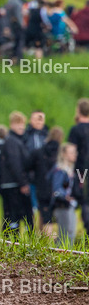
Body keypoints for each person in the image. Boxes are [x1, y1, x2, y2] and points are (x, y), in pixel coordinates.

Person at [0, 111, 33, 238]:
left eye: (23, 124)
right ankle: (12, 240)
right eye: (18, 124)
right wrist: (23, 182)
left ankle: (13, 239)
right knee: (13, 215)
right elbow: (15, 164)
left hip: (13, 183)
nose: (22, 127)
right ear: (12, 124)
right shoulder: (12, 142)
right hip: (12, 184)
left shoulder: (16, 141)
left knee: (13, 215)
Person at [31, 126, 64, 234]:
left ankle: (45, 242)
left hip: (42, 187)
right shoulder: (62, 153)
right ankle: (59, 241)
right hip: (58, 188)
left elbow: (28, 167)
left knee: (45, 216)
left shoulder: (39, 151)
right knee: (59, 217)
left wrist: (34, 179)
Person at [49, 143, 79, 246]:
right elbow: (56, 189)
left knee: (71, 232)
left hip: (69, 205)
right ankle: (60, 258)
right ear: (64, 154)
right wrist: (65, 197)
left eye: (75, 152)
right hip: (62, 205)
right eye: (71, 152)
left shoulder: (70, 169)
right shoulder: (60, 170)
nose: (75, 154)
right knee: (65, 234)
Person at [67, 98, 89, 235]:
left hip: (81, 171)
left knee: (82, 200)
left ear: (78, 111)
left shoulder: (75, 130)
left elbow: (71, 151)